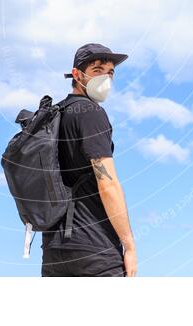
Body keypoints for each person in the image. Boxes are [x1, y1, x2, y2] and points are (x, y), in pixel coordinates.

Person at [41, 43, 137, 277]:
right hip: (94, 248)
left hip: (54, 251)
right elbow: (108, 183)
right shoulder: (91, 113)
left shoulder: (54, 115)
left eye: (110, 72)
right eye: (97, 70)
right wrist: (129, 245)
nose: (105, 77)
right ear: (76, 74)